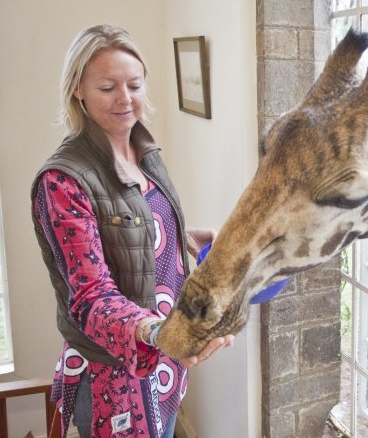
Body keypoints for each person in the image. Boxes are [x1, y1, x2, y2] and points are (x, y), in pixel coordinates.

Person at [31, 24, 232, 438]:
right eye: (107, 87)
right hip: (115, 372)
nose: (125, 99)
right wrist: (163, 333)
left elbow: (129, 225)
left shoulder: (143, 152)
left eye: (134, 85)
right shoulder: (63, 181)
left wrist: (181, 236)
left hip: (166, 359)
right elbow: (90, 297)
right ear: (78, 91)